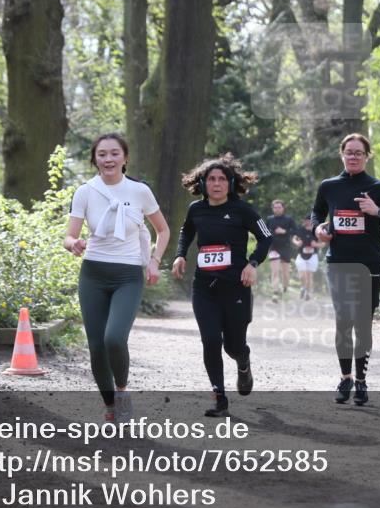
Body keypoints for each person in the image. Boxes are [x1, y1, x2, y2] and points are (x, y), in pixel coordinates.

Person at [64, 133, 170, 422]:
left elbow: (163, 230)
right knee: (96, 346)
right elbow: (70, 235)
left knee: (114, 338)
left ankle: (122, 391)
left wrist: (154, 261)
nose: (108, 159)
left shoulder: (139, 192)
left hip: (127, 275)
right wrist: (73, 243)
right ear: (94, 159)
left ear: (124, 158)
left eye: (114, 154)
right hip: (93, 274)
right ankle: (111, 406)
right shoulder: (85, 192)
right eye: (102, 154)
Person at [172, 154, 273, 417]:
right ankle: (219, 398)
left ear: (230, 183)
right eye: (211, 179)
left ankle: (243, 361)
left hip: (236, 287)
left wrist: (252, 264)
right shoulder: (196, 209)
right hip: (204, 287)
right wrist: (180, 255)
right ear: (203, 184)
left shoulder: (243, 210)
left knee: (233, 346)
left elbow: (265, 237)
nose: (216, 184)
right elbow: (186, 232)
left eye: (221, 179)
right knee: (210, 340)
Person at [311, 133, 380, 406]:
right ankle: (345, 377)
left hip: (369, 265)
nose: (353, 156)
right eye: (349, 152)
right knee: (343, 322)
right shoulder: (329, 186)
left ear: (366, 156)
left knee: (362, 325)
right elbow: (316, 213)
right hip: (338, 263)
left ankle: (361, 381)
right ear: (342, 155)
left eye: (358, 153)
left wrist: (376, 211)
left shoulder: (378, 187)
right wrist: (318, 228)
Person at [265, 199, 296, 302]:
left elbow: (296, 230)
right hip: (274, 248)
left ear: (283, 208)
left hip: (285, 248)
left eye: (279, 207)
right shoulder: (269, 219)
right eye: (275, 207)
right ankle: (275, 293)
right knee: (275, 271)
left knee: (285, 273)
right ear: (272, 209)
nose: (277, 209)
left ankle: (285, 289)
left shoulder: (289, 219)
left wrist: (285, 231)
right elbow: (264, 232)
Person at [291, 216, 321, 300]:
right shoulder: (300, 230)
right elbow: (294, 239)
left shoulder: (317, 231)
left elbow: (323, 243)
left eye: (308, 220)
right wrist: (297, 242)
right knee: (302, 276)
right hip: (301, 255)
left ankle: (308, 293)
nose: (306, 222)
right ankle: (303, 288)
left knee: (309, 275)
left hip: (313, 255)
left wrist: (317, 245)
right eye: (304, 220)